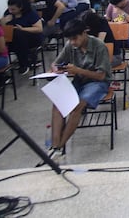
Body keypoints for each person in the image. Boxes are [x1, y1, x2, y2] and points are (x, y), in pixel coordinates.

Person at [47, 19, 111, 160]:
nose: (73, 42)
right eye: (70, 39)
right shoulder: (70, 45)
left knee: (77, 106)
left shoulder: (99, 46)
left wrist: (77, 70)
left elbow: (101, 76)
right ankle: (55, 146)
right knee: (58, 104)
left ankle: (60, 147)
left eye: (75, 38)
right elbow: (55, 63)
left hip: (97, 83)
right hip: (79, 80)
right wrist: (56, 69)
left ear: (84, 33)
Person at [0, 0, 43, 75]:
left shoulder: (30, 14)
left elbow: (39, 29)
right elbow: (3, 30)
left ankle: (24, 64)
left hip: (32, 38)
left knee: (18, 33)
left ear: (21, 8)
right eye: (9, 8)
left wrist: (23, 29)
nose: (11, 11)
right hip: (15, 41)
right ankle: (2, 74)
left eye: (13, 9)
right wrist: (3, 22)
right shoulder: (8, 14)